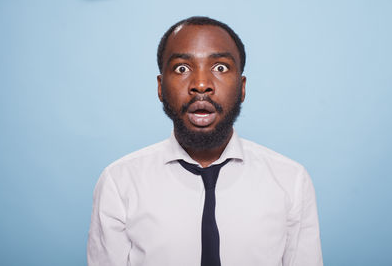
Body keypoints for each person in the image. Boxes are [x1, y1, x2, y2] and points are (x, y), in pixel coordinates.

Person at [87, 16, 323, 266]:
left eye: (220, 67)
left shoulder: (291, 181)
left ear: (242, 88)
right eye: (182, 68)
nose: (201, 84)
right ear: (160, 87)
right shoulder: (119, 183)